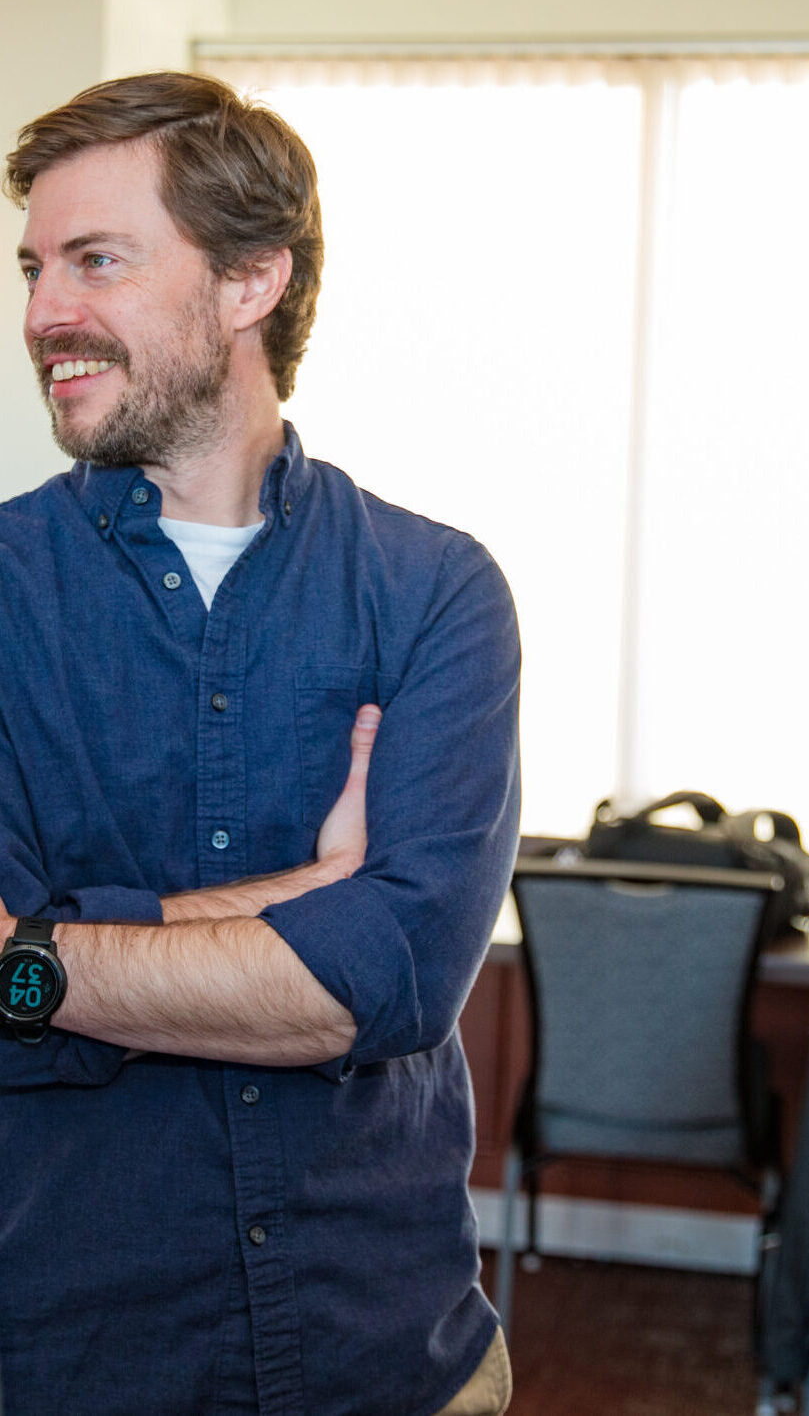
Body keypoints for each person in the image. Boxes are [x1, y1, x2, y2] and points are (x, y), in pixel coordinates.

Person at [0, 73, 521, 1416]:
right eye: (35, 268)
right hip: (73, 1365)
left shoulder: (435, 591)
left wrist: (33, 959)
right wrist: (304, 900)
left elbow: (390, 984)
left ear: (251, 282)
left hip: (387, 1358)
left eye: (97, 261)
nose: (44, 312)